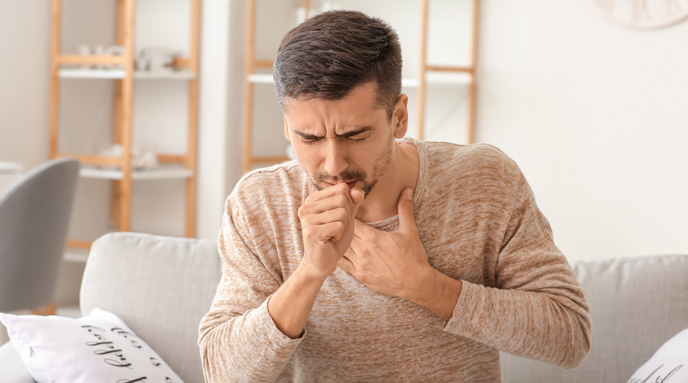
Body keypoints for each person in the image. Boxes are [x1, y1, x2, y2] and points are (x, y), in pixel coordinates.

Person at [199, 10, 591, 382]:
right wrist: (310, 272)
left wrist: (421, 285)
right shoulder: (259, 204)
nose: (333, 164)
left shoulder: (483, 180)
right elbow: (222, 372)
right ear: (287, 126)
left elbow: (569, 337)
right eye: (310, 138)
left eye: (356, 135)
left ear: (399, 117)